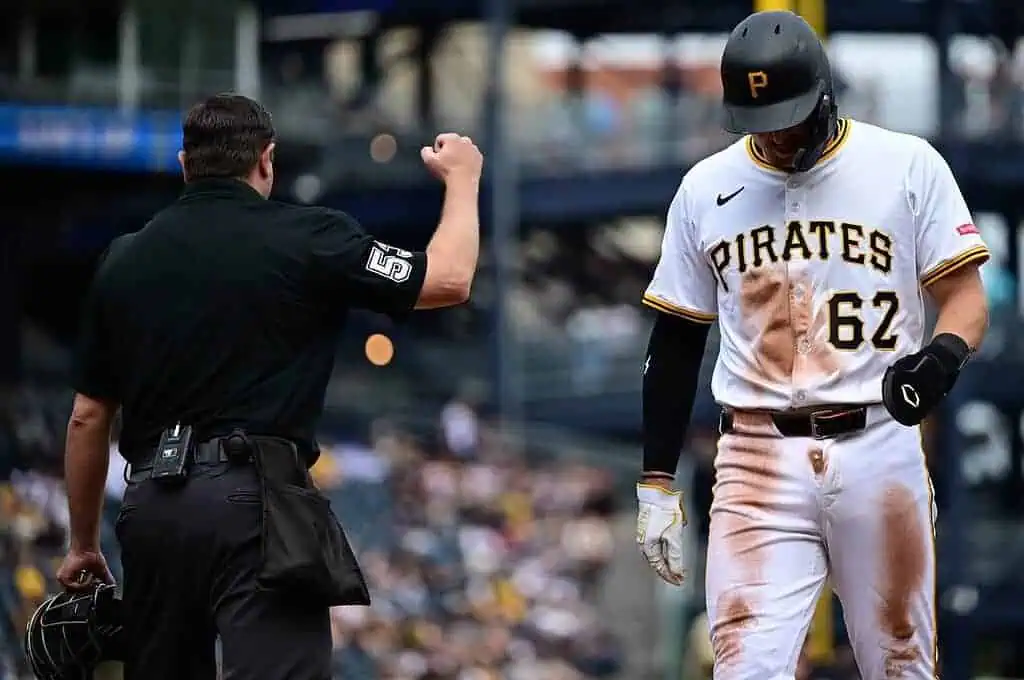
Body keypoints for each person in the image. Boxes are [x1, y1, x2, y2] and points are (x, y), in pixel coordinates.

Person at [55, 93, 483, 680]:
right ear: (266, 159)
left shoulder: (122, 259)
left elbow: (87, 416)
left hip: (152, 507)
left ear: (185, 164)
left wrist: (83, 543)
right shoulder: (311, 235)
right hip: (255, 503)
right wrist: (462, 180)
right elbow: (449, 279)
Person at [635, 11, 988, 680]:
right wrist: (656, 482)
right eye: (760, 120)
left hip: (878, 442)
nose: (776, 134)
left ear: (825, 95)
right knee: (745, 668)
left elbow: (966, 301)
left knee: (901, 664)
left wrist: (939, 359)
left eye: (789, 115)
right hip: (755, 455)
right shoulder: (705, 189)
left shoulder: (907, 165)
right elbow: (677, 340)